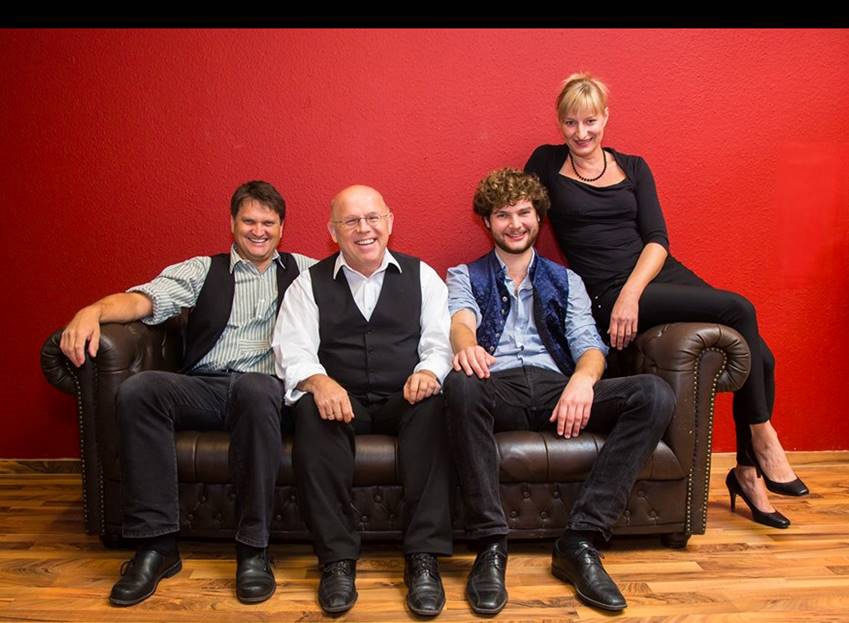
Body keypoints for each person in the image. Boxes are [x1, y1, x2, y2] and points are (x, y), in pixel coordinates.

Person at [525, 72, 808, 529]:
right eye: (571, 122)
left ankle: (748, 472)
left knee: (760, 354)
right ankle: (763, 437)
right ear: (560, 123)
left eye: (590, 121)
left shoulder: (634, 167)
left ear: (606, 118)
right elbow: (518, 214)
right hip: (605, 288)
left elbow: (657, 239)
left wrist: (633, 293)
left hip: (651, 276)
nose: (581, 132)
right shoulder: (545, 162)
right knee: (741, 308)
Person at [60, 180, 315, 606]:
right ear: (232, 223)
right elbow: (142, 300)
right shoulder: (202, 270)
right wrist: (93, 311)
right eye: (249, 221)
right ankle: (156, 546)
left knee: (256, 389)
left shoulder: (306, 271)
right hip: (205, 387)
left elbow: (353, 294)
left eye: (268, 223)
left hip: (266, 391)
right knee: (141, 390)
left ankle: (253, 548)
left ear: (282, 228)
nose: (258, 231)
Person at [443, 168, 675, 613]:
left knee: (654, 394)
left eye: (524, 213)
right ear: (486, 222)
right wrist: (467, 346)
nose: (515, 224)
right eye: (503, 215)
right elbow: (461, 320)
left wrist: (583, 381)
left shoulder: (567, 280)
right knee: (460, 384)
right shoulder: (464, 275)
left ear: (539, 217)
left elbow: (589, 345)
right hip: (498, 386)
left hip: (557, 389)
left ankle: (580, 540)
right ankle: (490, 545)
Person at [272, 185, 454, 617]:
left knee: (434, 406)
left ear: (389, 222)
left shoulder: (423, 276)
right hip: (343, 398)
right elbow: (292, 349)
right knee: (311, 409)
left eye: (373, 218)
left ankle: (423, 559)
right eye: (351, 221)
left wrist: (428, 372)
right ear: (333, 231)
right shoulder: (308, 284)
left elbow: (440, 342)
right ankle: (336, 561)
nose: (364, 229)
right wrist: (319, 381)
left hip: (404, 395)